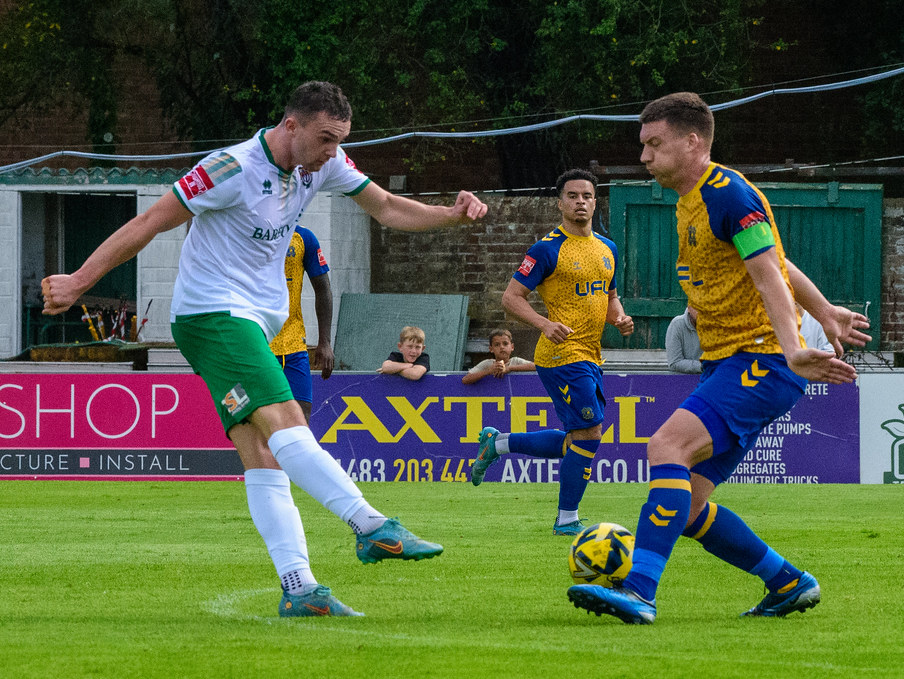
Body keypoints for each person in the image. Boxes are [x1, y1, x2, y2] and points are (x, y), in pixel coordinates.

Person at [40, 81, 488, 618]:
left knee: (264, 452)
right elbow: (147, 223)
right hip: (213, 316)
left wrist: (451, 215)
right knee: (286, 418)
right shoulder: (229, 168)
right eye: (325, 139)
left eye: (339, 141)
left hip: (253, 321)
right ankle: (371, 525)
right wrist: (79, 281)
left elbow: (387, 207)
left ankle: (299, 588)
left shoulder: (322, 163)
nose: (332, 152)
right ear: (291, 126)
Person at [566, 92, 870, 624]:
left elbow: (765, 272)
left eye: (654, 144)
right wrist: (822, 310)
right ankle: (788, 582)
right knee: (689, 509)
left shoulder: (728, 193)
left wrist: (796, 347)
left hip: (761, 359)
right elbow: (775, 257)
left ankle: (638, 591)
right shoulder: (693, 199)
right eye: (643, 145)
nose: (644, 157)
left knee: (665, 445)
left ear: (693, 141)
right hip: (735, 360)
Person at [470, 168, 634, 535]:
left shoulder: (608, 249)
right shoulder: (546, 249)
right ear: (560, 203)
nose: (581, 202)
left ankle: (497, 444)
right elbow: (510, 298)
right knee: (590, 434)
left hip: (591, 355)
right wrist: (544, 324)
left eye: (587, 196)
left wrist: (620, 318)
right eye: (573, 196)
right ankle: (567, 520)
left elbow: (609, 298)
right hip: (561, 356)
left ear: (595, 202)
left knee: (577, 439)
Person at [270, 225, 334, 423]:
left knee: (300, 420)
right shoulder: (245, 232)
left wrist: (324, 342)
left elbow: (323, 289)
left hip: (293, 345)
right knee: (257, 422)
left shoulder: (303, 237)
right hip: (256, 345)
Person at [461, 328, 535, 384]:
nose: (502, 347)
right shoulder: (487, 364)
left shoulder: (516, 361)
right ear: (491, 349)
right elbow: (465, 379)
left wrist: (510, 368)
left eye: (505, 344)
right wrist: (488, 371)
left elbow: (537, 366)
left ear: (512, 347)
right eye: (497, 345)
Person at [665, 306, 702, 373]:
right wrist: (703, 367)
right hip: (683, 379)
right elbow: (674, 362)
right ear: (689, 308)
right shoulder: (677, 324)